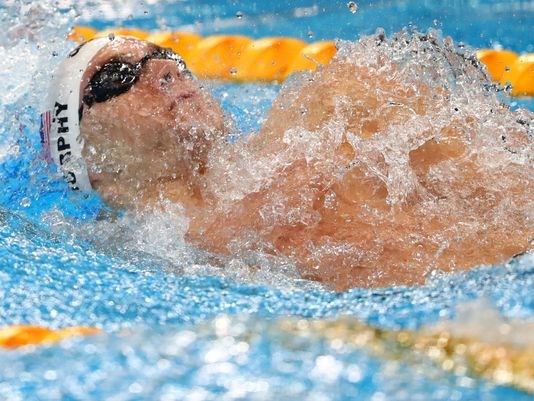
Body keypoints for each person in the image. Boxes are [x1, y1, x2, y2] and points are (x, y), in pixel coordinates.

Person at [41, 34, 533, 291]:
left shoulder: (328, 114)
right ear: (94, 163)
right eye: (118, 74)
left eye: (164, 54)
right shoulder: (195, 243)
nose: (164, 68)